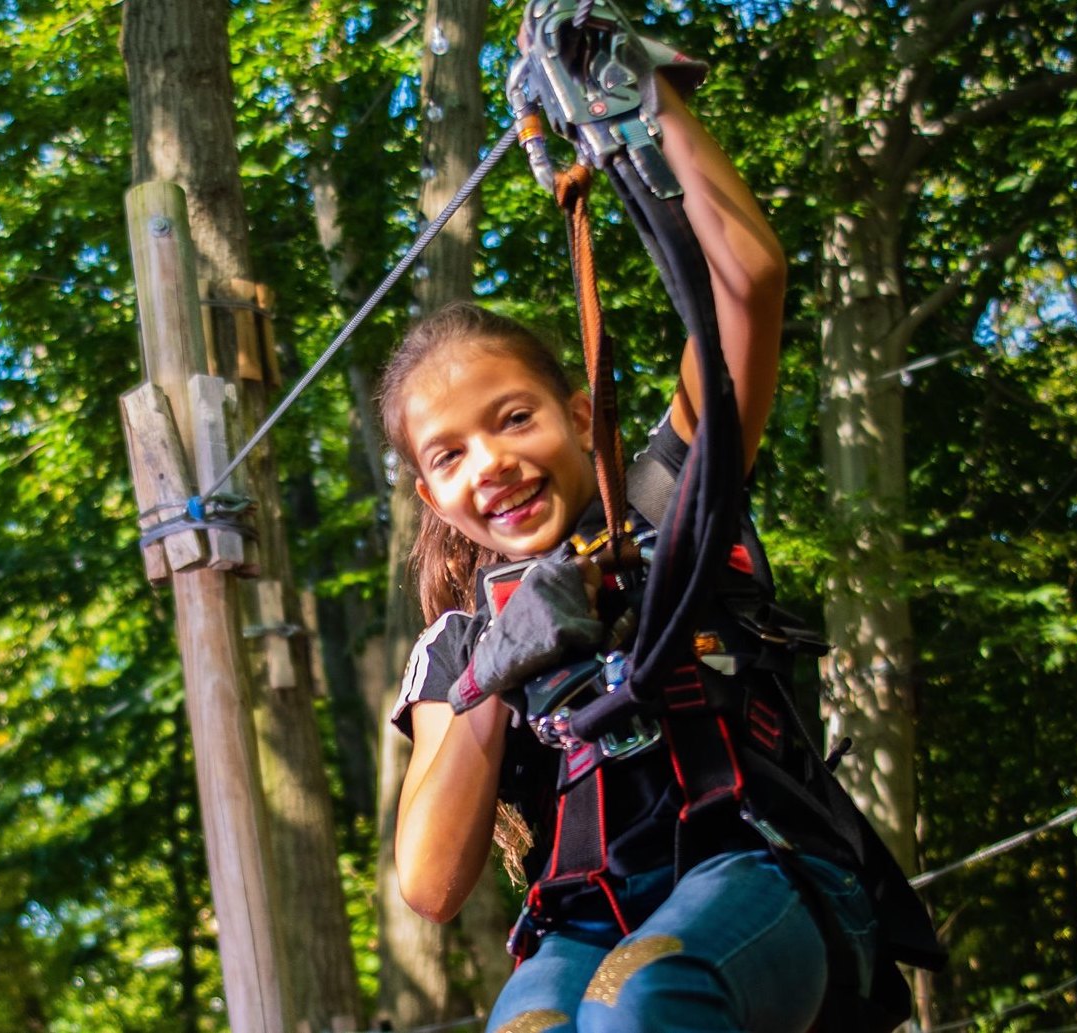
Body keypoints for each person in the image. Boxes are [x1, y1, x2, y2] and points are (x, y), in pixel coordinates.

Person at [378, 46, 940, 1033]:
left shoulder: (665, 496)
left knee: (644, 999)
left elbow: (747, 283)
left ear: (580, 411)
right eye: (451, 454)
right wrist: (493, 678)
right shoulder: (455, 651)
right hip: (585, 918)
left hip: (761, 872)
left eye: (515, 419)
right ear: (431, 492)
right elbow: (428, 882)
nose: (491, 463)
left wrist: (646, 103)